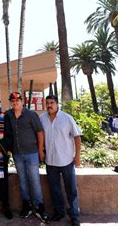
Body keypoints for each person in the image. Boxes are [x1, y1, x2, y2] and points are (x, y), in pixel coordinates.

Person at [3, 92, 50, 223]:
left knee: (34, 180)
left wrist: (41, 150)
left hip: (32, 153)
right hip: (17, 154)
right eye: (12, 101)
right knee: (22, 180)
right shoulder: (8, 115)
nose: (15, 103)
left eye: (17, 100)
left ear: (22, 102)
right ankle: (27, 205)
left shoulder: (31, 115)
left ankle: (40, 207)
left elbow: (40, 132)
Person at [40, 95, 82, 226]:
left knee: (71, 190)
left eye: (51, 103)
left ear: (57, 104)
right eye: (47, 103)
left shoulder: (67, 118)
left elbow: (77, 137)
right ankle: (59, 212)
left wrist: (77, 156)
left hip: (66, 161)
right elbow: (39, 135)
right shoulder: (42, 118)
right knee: (55, 189)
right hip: (50, 161)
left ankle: (74, 215)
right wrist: (41, 151)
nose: (49, 105)